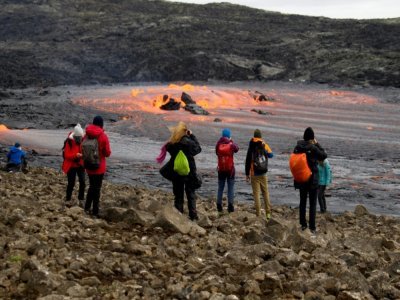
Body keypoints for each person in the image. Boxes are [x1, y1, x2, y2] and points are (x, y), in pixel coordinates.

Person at [159, 121, 201, 220]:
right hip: (189, 171)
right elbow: (198, 149)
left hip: (176, 172)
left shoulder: (172, 143)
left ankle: (179, 214)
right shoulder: (189, 142)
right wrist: (192, 136)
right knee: (190, 193)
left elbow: (168, 147)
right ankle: (193, 215)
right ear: (185, 132)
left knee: (178, 194)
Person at [293, 127, 327, 233]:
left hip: (301, 179)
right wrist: (317, 144)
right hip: (312, 180)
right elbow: (324, 155)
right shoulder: (312, 147)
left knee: (302, 202)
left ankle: (303, 225)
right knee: (312, 204)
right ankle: (312, 228)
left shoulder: (297, 147)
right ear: (312, 138)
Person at [83, 116, 111, 218]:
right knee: (97, 188)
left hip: (88, 166)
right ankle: (95, 211)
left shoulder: (86, 135)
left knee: (91, 186)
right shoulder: (103, 136)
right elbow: (107, 153)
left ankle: (86, 207)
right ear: (101, 124)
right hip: (99, 167)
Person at [245, 129, 274, 221]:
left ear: (254, 136)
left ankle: (258, 215)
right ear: (260, 136)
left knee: (256, 194)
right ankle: (268, 214)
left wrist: (247, 174)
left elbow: (248, 161)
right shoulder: (264, 144)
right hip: (263, 173)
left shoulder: (251, 146)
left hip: (254, 173)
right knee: (265, 193)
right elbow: (271, 155)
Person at [215, 128, 239, 215]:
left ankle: (219, 205)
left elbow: (217, 153)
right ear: (229, 135)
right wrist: (231, 141)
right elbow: (237, 149)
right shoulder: (231, 144)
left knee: (220, 188)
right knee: (230, 188)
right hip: (230, 170)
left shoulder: (218, 144)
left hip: (221, 169)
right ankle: (230, 207)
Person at [62, 123, 85, 207]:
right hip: (71, 166)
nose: (80, 139)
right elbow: (67, 155)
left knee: (83, 182)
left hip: (80, 164)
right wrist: (76, 155)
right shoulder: (69, 142)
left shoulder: (83, 139)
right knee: (71, 183)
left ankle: (81, 199)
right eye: (79, 137)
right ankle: (68, 199)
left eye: (81, 137)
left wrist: (83, 155)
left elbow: (84, 151)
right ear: (75, 135)